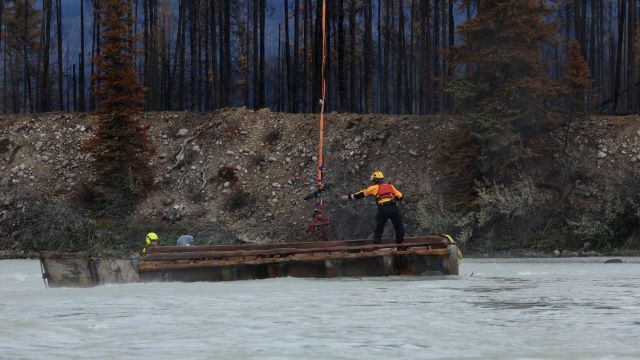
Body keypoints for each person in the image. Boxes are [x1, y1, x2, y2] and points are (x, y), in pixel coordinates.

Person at [340, 171, 405, 245]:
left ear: (375, 180)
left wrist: (348, 197)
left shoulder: (374, 188)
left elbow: (361, 194)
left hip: (383, 209)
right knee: (399, 226)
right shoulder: (390, 186)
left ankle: (376, 245)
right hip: (393, 207)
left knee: (379, 227)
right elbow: (400, 196)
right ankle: (400, 244)